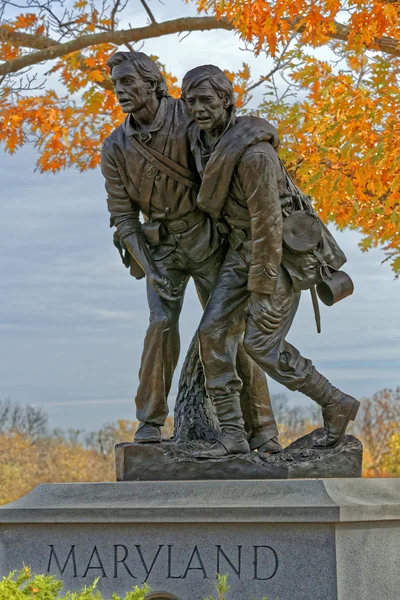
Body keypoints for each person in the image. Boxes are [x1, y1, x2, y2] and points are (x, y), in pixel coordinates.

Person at [101, 52, 280, 451]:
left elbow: (238, 136)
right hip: (159, 251)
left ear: (153, 83)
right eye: (116, 86)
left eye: (129, 83)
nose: (121, 92)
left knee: (229, 329)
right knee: (159, 324)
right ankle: (149, 422)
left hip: (208, 240)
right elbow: (123, 217)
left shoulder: (190, 113)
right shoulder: (114, 147)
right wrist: (149, 267)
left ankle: (263, 429)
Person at [181, 64, 360, 458]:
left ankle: (335, 402)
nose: (197, 108)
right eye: (190, 101)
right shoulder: (198, 139)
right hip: (239, 252)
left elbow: (267, 224)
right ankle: (233, 435)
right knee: (212, 334)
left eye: (206, 100)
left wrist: (260, 287)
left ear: (227, 102)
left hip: (275, 258)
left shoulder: (254, 156)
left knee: (260, 344)